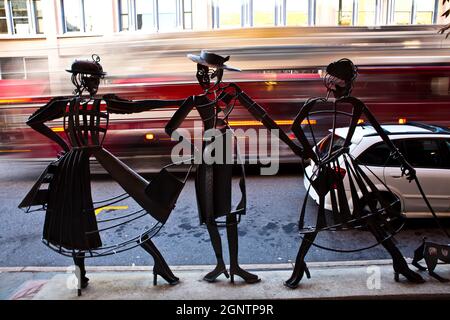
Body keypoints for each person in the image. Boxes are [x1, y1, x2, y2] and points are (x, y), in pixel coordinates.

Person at [19, 55, 186, 295]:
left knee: (145, 199)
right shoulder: (65, 103)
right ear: (79, 80)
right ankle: (81, 275)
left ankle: (91, 275)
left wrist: (177, 102)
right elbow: (33, 120)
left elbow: (135, 106)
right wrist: (63, 143)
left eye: (97, 79)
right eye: (91, 78)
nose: (95, 83)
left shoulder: (93, 103)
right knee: (75, 220)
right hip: (74, 164)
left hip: (82, 159)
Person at [284, 58, 424, 288]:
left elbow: (383, 135)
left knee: (370, 218)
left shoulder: (356, 104)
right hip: (330, 170)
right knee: (320, 223)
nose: (348, 88)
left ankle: (399, 262)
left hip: (347, 167)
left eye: (349, 83)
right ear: (336, 83)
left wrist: (403, 162)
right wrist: (313, 155)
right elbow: (295, 126)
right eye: (346, 83)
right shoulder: (315, 103)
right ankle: (299, 265)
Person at [165, 51, 302, 284]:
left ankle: (235, 266)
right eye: (199, 71)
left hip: (227, 152)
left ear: (218, 73)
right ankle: (220, 264)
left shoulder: (231, 92)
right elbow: (170, 128)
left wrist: (294, 146)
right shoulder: (196, 100)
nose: (201, 76)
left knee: (230, 211)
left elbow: (264, 118)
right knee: (209, 213)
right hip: (208, 154)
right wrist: (192, 147)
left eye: (205, 71)